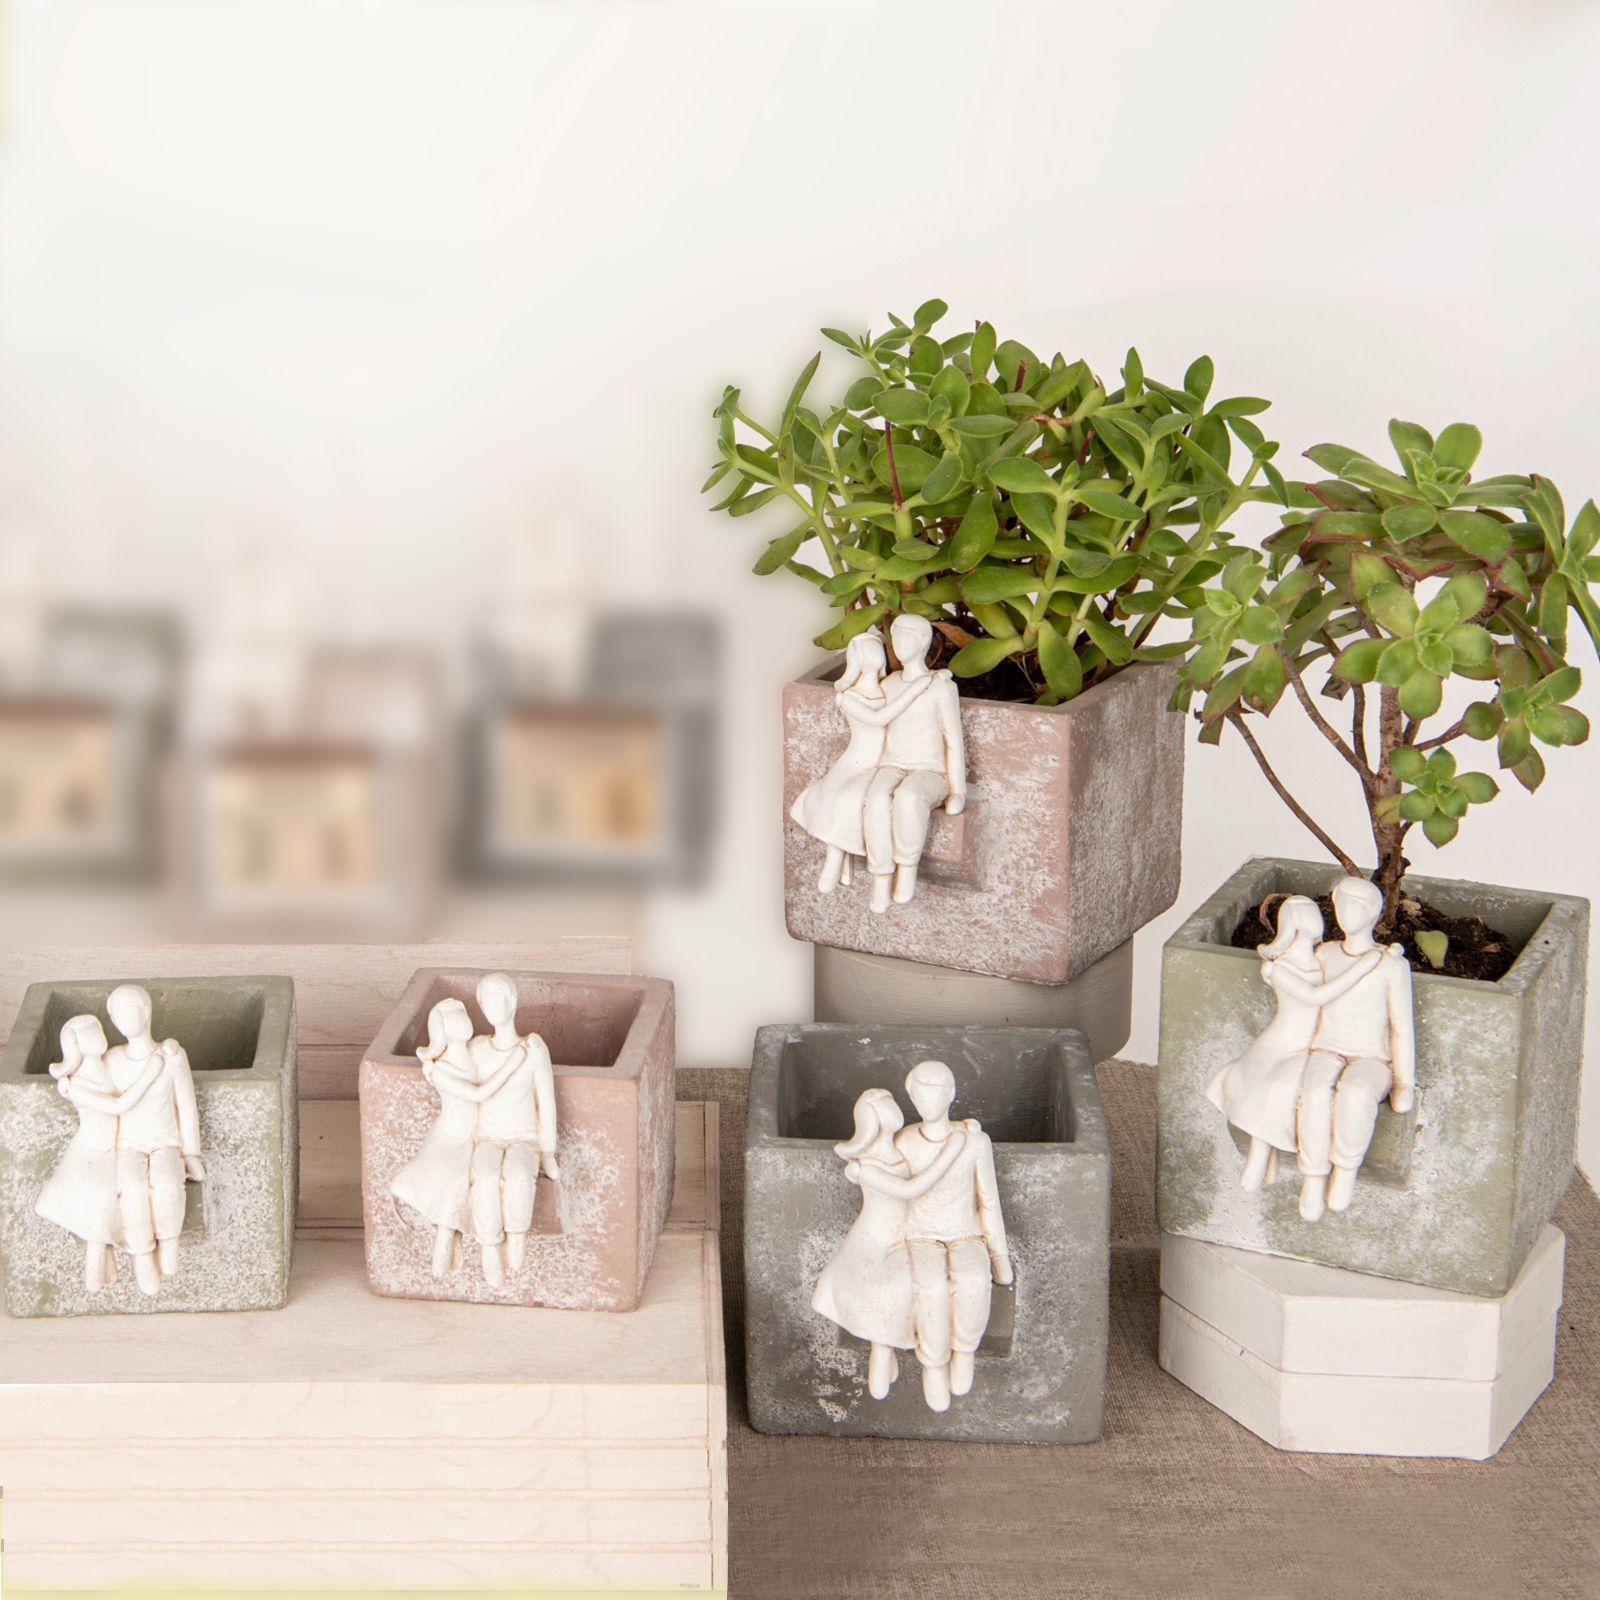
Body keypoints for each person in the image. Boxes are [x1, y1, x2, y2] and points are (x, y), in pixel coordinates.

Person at [1204, 895, 1395, 1195]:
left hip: (1314, 1044)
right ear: (1292, 926)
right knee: (1274, 1090)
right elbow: (1317, 996)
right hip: (1283, 1042)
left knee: (1288, 1090)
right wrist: (1364, 966)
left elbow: (1354, 953)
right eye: (1307, 915)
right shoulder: (1280, 968)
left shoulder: (1322, 955)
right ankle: (1259, 1160)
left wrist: (1384, 953)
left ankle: (1265, 1162)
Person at [812, 1087, 972, 1402]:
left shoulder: (899, 1147)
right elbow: (911, 1189)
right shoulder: (867, 1167)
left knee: (910, 1287)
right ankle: (882, 1353)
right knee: (886, 1290)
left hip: (903, 1237)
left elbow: (930, 1132)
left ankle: (887, 1353)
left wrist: (960, 1127)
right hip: (875, 1240)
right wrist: (951, 1151)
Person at [893, 1060, 1011, 1413]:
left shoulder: (975, 1142)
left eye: (935, 1092)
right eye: (920, 1093)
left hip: (965, 1233)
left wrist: (999, 1256)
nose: (928, 1101)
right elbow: (895, 1197)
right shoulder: (905, 1141)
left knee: (973, 1279)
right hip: (920, 1234)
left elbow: (988, 1200)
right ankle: (933, 1363)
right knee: (929, 1285)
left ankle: (964, 1351)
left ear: (951, 1093)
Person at [1297, 876, 1416, 1221]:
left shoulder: (1390, 965)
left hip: (1372, 1057)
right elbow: (1304, 1003)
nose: (1349, 912)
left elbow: (1401, 1027)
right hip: (1325, 1048)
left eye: (1359, 906)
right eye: (1343, 903)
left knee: (1356, 1092)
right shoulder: (1325, 954)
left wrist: (1404, 1083)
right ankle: (1313, 1175)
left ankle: (1345, 1170)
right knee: (1314, 1090)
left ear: (1374, 912)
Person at [788, 630, 937, 893]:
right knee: (838, 799)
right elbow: (879, 719)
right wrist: (916, 688)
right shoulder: (848, 697)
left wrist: (934, 678)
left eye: (877, 649)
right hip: (857, 761)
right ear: (856, 658)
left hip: (883, 762)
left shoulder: (888, 686)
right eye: (868, 650)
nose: (876, 655)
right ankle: (835, 860)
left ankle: (839, 863)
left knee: (854, 800)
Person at [391, 996, 523, 1279]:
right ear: (441, 1029)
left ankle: (461, 1247)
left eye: (461, 1012)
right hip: (451, 1138)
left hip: (474, 1137)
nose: (461, 1019)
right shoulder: (441, 1070)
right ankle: (443, 1255)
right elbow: (478, 1093)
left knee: (468, 1187)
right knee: (452, 1188)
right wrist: (512, 1064)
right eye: (452, 1016)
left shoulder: (474, 1052)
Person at [35, 1012, 165, 1291]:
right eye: (89, 1032)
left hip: (115, 1146)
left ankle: (110, 1265)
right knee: (102, 1196)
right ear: (77, 1045)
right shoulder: (76, 1084)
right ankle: (97, 1268)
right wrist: (150, 1074)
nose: (98, 1033)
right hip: (91, 1151)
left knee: (123, 1191)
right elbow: (117, 1106)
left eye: (96, 1028)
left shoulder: (109, 1065)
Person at [861, 614, 966, 914]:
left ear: (923, 642)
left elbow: (953, 740)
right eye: (896, 635)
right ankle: (881, 875)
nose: (899, 643)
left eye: (907, 636)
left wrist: (957, 790)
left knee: (908, 797)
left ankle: (907, 867)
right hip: (892, 764)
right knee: (876, 799)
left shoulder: (940, 687)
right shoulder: (890, 684)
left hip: (930, 770)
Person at [464, 972, 560, 1286]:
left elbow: (546, 1101)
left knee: (518, 1175)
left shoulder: (533, 1049)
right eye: (487, 1000)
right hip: (487, 1137)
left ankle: (517, 1238)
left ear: (513, 1001)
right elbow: (460, 1083)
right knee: (486, 1177)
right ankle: (489, 1247)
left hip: (523, 1137)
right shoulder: (478, 1049)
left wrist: (547, 1150)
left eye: (499, 998)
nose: (493, 1006)